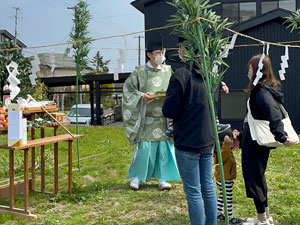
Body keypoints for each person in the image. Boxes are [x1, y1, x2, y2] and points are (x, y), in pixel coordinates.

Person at [162, 37, 217, 225]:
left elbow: (169, 110)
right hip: (207, 138)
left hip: (188, 141)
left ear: (184, 50)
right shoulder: (208, 74)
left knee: (193, 191)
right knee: (208, 187)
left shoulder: (181, 74)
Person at [122, 31, 180, 190]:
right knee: (144, 148)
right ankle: (138, 177)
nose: (161, 55)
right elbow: (128, 90)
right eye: (157, 53)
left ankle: (163, 178)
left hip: (163, 117)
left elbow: (177, 88)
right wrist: (142, 97)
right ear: (149, 54)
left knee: (163, 149)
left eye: (162, 52)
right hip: (146, 117)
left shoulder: (168, 70)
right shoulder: (139, 71)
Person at [241, 54, 293, 225]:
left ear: (257, 70)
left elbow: (274, 114)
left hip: (256, 140)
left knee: (253, 177)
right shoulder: (269, 87)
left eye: (250, 68)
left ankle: (262, 218)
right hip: (256, 138)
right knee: (258, 176)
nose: (248, 71)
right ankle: (265, 216)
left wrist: (281, 136)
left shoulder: (262, 91)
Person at [214, 128, 242, 224]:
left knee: (223, 195)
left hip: (225, 177)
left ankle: (217, 213)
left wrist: (234, 134)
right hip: (225, 178)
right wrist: (227, 145)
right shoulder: (220, 149)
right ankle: (229, 217)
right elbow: (221, 159)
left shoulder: (224, 148)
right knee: (228, 198)